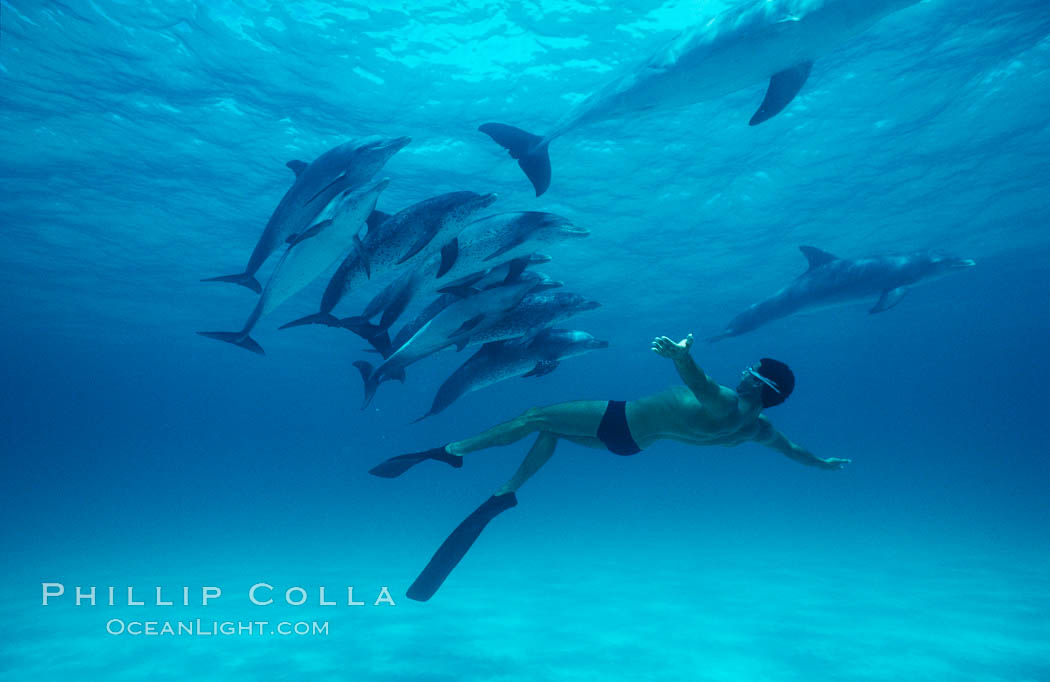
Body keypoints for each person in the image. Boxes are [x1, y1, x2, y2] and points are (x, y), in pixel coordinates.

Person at [369, 333, 850, 601]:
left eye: (753, 370)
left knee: (537, 415)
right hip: (634, 443)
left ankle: (455, 449)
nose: (744, 370)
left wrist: (682, 356)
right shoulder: (756, 429)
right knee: (550, 430)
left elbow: (700, 382)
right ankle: (507, 490)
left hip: (621, 417)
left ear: (760, 385)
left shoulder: (727, 401)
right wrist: (823, 465)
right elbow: (794, 451)